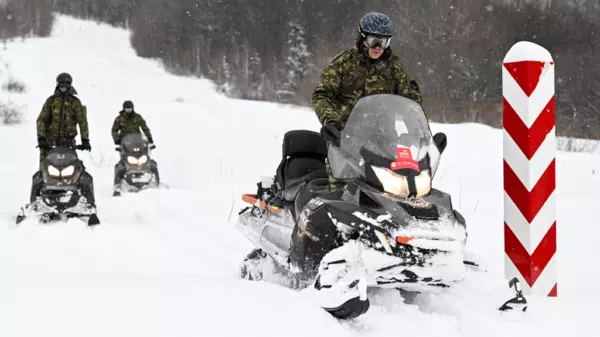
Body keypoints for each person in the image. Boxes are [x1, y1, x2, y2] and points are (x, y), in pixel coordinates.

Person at [312, 11, 423, 191]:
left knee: (394, 189)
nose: (378, 47)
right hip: (346, 139)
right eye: (374, 41)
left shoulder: (393, 67)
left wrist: (415, 127)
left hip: (385, 142)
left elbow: (407, 100)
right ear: (362, 38)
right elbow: (322, 95)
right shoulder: (344, 64)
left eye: (384, 41)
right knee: (343, 190)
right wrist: (331, 122)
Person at [36, 72, 91, 167]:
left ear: (70, 85)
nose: (64, 87)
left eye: (66, 84)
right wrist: (41, 138)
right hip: (49, 143)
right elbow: (41, 119)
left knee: (76, 168)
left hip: (68, 143)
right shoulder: (51, 101)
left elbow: (82, 122)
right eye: (62, 84)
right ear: (58, 85)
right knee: (43, 169)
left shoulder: (75, 102)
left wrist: (85, 140)